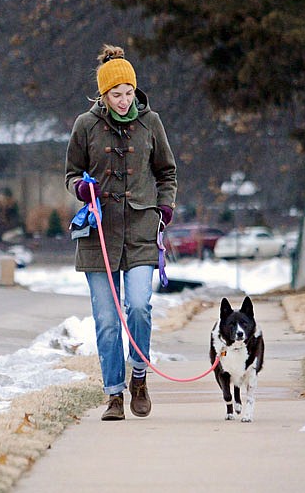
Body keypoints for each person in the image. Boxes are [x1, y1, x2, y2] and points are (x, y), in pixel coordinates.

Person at [65, 44, 177, 421]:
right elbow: (70, 173)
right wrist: (81, 188)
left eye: (129, 92)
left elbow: (167, 172)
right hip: (99, 236)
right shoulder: (85, 125)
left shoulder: (151, 123)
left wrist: (165, 206)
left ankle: (140, 378)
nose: (125, 100)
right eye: (117, 94)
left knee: (140, 307)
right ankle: (114, 394)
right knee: (108, 321)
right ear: (103, 95)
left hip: (143, 232)